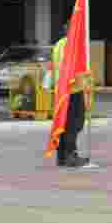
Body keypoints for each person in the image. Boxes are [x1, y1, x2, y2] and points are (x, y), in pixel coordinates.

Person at [49, 22, 88, 168]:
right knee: (74, 123)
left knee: (64, 123)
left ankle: (62, 157)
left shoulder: (59, 44)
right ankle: (70, 155)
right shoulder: (72, 45)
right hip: (73, 88)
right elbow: (75, 66)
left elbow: (54, 65)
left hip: (61, 88)